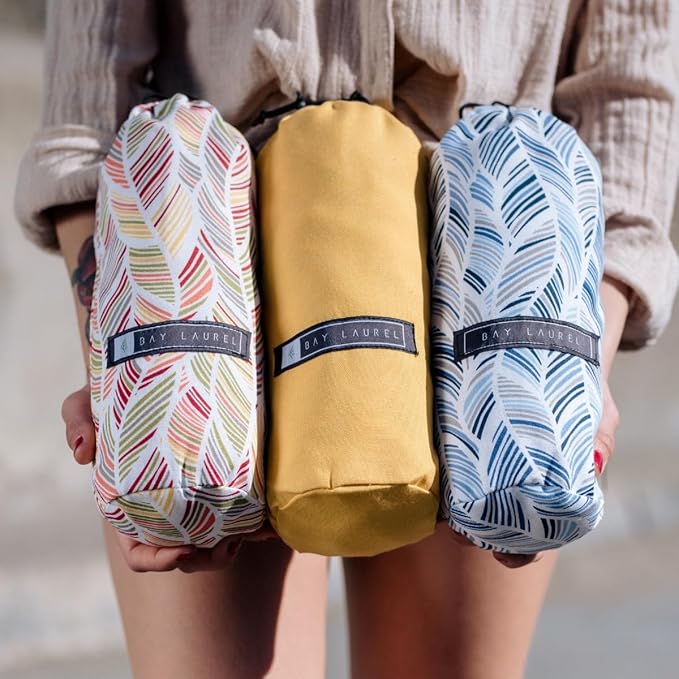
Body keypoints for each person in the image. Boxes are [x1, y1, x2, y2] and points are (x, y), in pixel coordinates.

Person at [14, 2, 678, 678]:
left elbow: (628, 87)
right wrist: (123, 353)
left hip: (491, 237)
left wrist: (580, 352)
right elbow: (88, 101)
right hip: (207, 226)